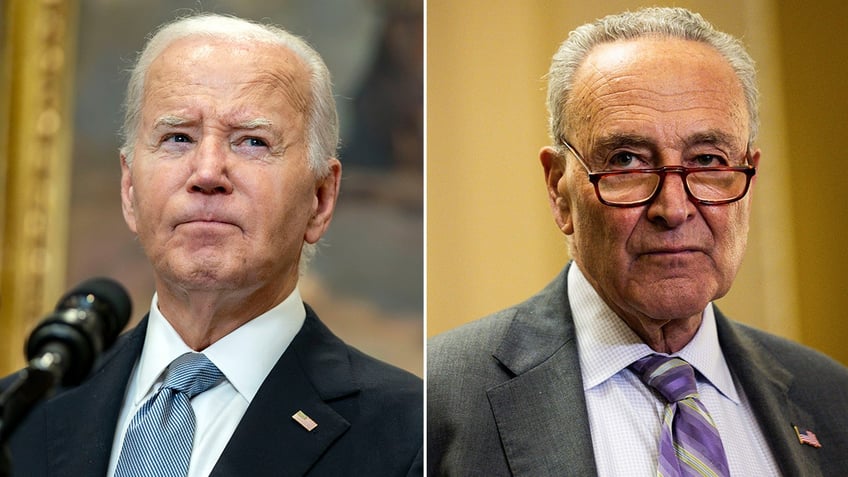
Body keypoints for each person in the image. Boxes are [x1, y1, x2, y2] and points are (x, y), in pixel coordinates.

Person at [428, 7, 848, 476]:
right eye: (627, 161)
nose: (673, 208)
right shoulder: (436, 402)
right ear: (559, 188)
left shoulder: (832, 400)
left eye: (708, 159)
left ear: (749, 174)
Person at [3, 13, 422, 476]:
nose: (206, 174)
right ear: (129, 191)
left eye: (252, 142)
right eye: (177, 137)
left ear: (320, 199)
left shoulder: (412, 435)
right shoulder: (23, 417)